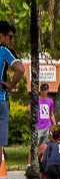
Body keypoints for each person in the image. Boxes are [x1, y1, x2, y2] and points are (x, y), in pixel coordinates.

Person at [0, 21, 25, 170]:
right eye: (10, 37)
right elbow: (20, 69)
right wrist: (11, 85)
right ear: (1, 35)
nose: (11, 41)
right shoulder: (4, 50)